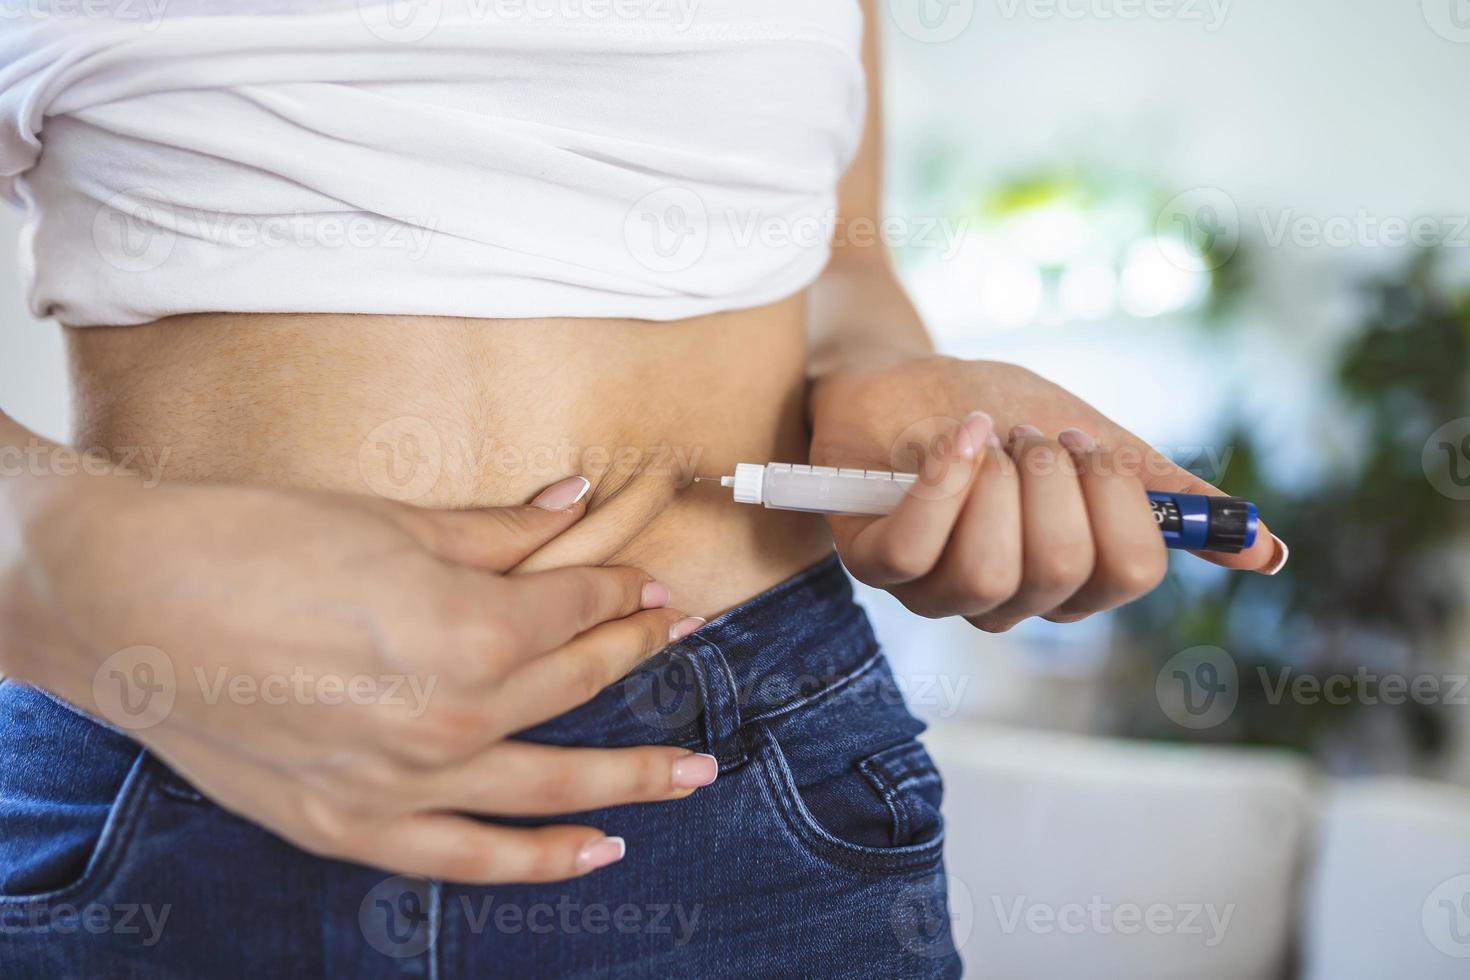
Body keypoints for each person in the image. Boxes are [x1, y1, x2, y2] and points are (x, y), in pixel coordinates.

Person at [0, 1, 1286, 976]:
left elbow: (834, 255)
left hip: (745, 781)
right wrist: (73, 564)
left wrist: (885, 374)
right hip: (160, 747)